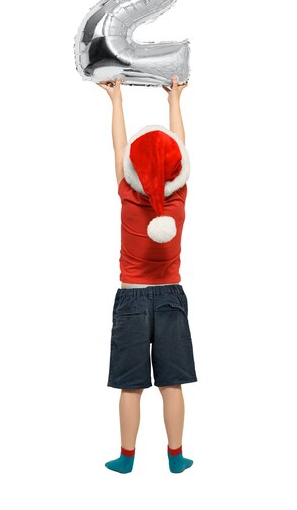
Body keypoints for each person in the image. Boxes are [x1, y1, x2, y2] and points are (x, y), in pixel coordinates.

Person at [97, 75, 198, 474]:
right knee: (171, 384)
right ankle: (176, 456)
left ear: (132, 169)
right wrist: (175, 101)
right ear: (178, 170)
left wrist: (116, 98)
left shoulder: (126, 190)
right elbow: (180, 144)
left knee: (131, 385)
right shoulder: (178, 196)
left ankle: (126, 458)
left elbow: (119, 146)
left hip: (132, 296)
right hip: (171, 295)